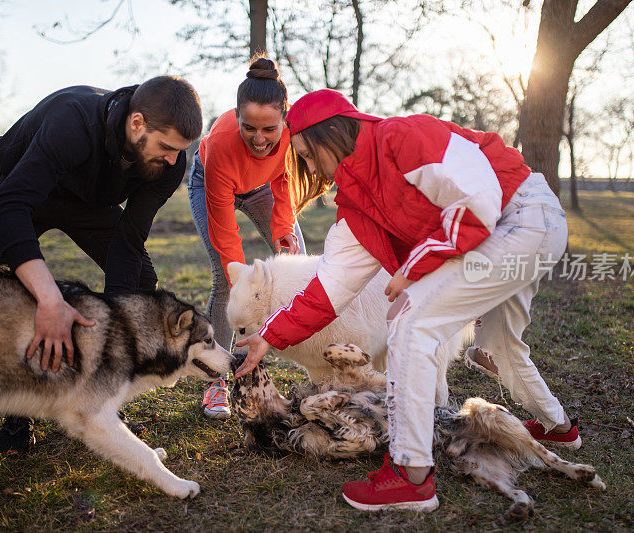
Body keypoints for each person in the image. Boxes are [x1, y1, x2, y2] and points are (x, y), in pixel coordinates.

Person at [235, 89, 580, 512]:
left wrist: (411, 269)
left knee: (412, 322)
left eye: (307, 154)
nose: (308, 167)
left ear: (331, 132)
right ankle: (558, 428)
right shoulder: (356, 209)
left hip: (524, 216)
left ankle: (411, 475)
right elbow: (329, 289)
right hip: (508, 234)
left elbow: (479, 200)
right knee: (497, 347)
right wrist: (269, 335)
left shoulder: (402, 136)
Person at [0, 76, 202, 452]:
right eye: (166, 147)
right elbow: (9, 207)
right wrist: (49, 298)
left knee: (139, 284)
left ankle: (102, 397)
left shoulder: (170, 163)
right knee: (14, 295)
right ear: (137, 124)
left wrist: (109, 331)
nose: (171, 159)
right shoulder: (71, 122)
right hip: (18, 191)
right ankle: (20, 414)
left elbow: (128, 242)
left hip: (88, 201)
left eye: (178, 151)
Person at [187, 56, 306, 419]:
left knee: (298, 262)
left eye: (269, 129)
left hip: (262, 188)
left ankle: (315, 362)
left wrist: (284, 228)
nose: (259, 138)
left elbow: (285, 179)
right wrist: (237, 274)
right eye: (249, 128)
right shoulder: (223, 143)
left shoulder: (292, 133)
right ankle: (216, 382)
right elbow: (225, 232)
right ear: (237, 118)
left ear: (284, 119)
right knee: (227, 280)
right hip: (211, 182)